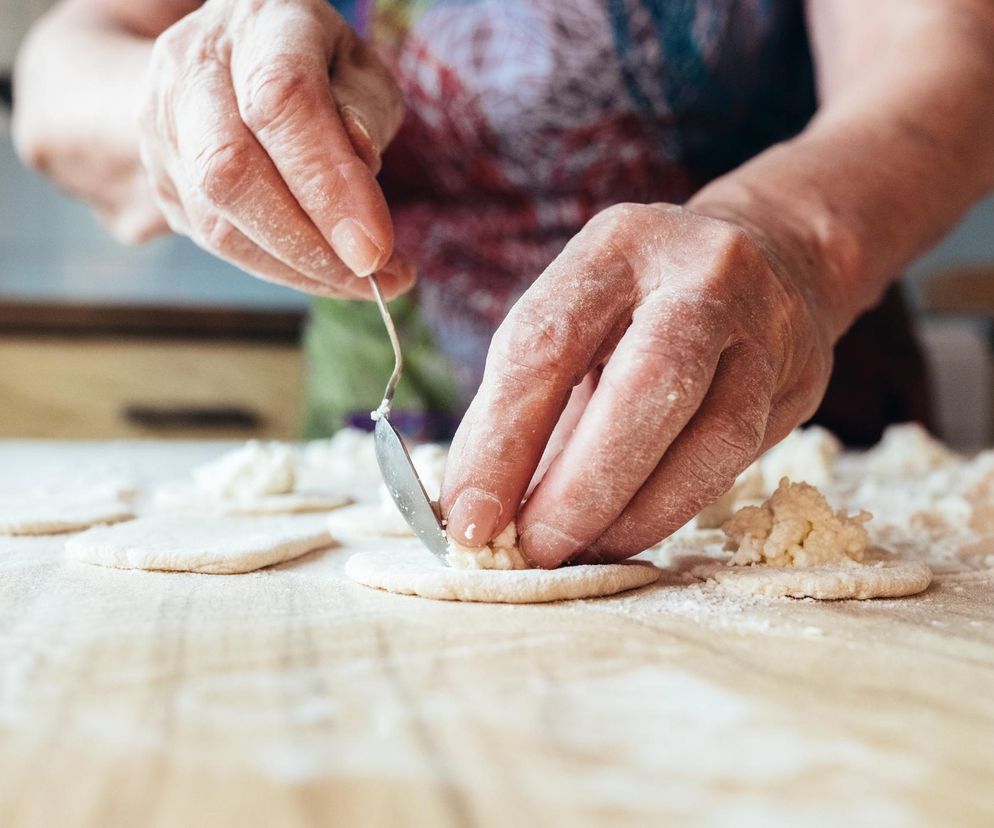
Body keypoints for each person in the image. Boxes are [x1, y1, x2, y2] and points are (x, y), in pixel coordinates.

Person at [13, 0, 994, 567]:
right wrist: (171, 99)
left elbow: (947, 54)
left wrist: (785, 236)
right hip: (380, 463)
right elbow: (61, 70)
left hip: (800, 468)